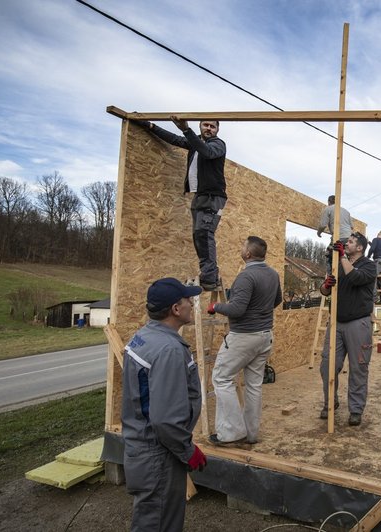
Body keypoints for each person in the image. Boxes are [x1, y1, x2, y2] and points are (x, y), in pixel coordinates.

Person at [121, 277, 208, 532]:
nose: (192, 303)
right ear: (175, 309)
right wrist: (188, 450)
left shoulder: (144, 336)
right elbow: (165, 419)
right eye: (187, 300)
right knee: (159, 522)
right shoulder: (168, 349)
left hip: (143, 447)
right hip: (158, 455)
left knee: (151, 517)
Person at [135, 116, 227, 291]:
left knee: (204, 232)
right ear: (200, 126)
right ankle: (209, 274)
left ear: (217, 130)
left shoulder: (218, 144)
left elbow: (207, 152)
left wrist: (186, 129)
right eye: (205, 125)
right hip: (200, 196)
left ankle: (209, 276)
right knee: (198, 235)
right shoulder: (195, 142)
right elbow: (174, 139)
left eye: (212, 126)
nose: (208, 128)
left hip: (213, 197)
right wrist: (151, 126)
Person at [207, 236, 283, 446]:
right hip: (264, 336)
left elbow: (237, 310)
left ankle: (231, 433)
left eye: (243, 246)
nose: (241, 248)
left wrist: (215, 307)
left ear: (248, 253)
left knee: (222, 379)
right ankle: (251, 434)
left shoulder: (246, 277)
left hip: (244, 337)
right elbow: (277, 300)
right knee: (254, 385)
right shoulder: (272, 274)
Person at [318, 232, 377, 426]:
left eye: (351, 242)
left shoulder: (369, 265)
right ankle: (330, 403)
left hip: (358, 323)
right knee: (328, 365)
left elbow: (356, 278)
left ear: (359, 248)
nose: (347, 244)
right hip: (336, 322)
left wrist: (342, 257)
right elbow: (325, 291)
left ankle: (356, 410)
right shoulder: (338, 264)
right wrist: (326, 285)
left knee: (358, 368)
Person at [367, 230, 381, 304]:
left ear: (378, 234)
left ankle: (374, 298)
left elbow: (372, 249)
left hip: (377, 262)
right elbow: (375, 247)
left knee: (372, 277)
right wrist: (369, 242)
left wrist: (368, 257)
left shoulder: (375, 239)